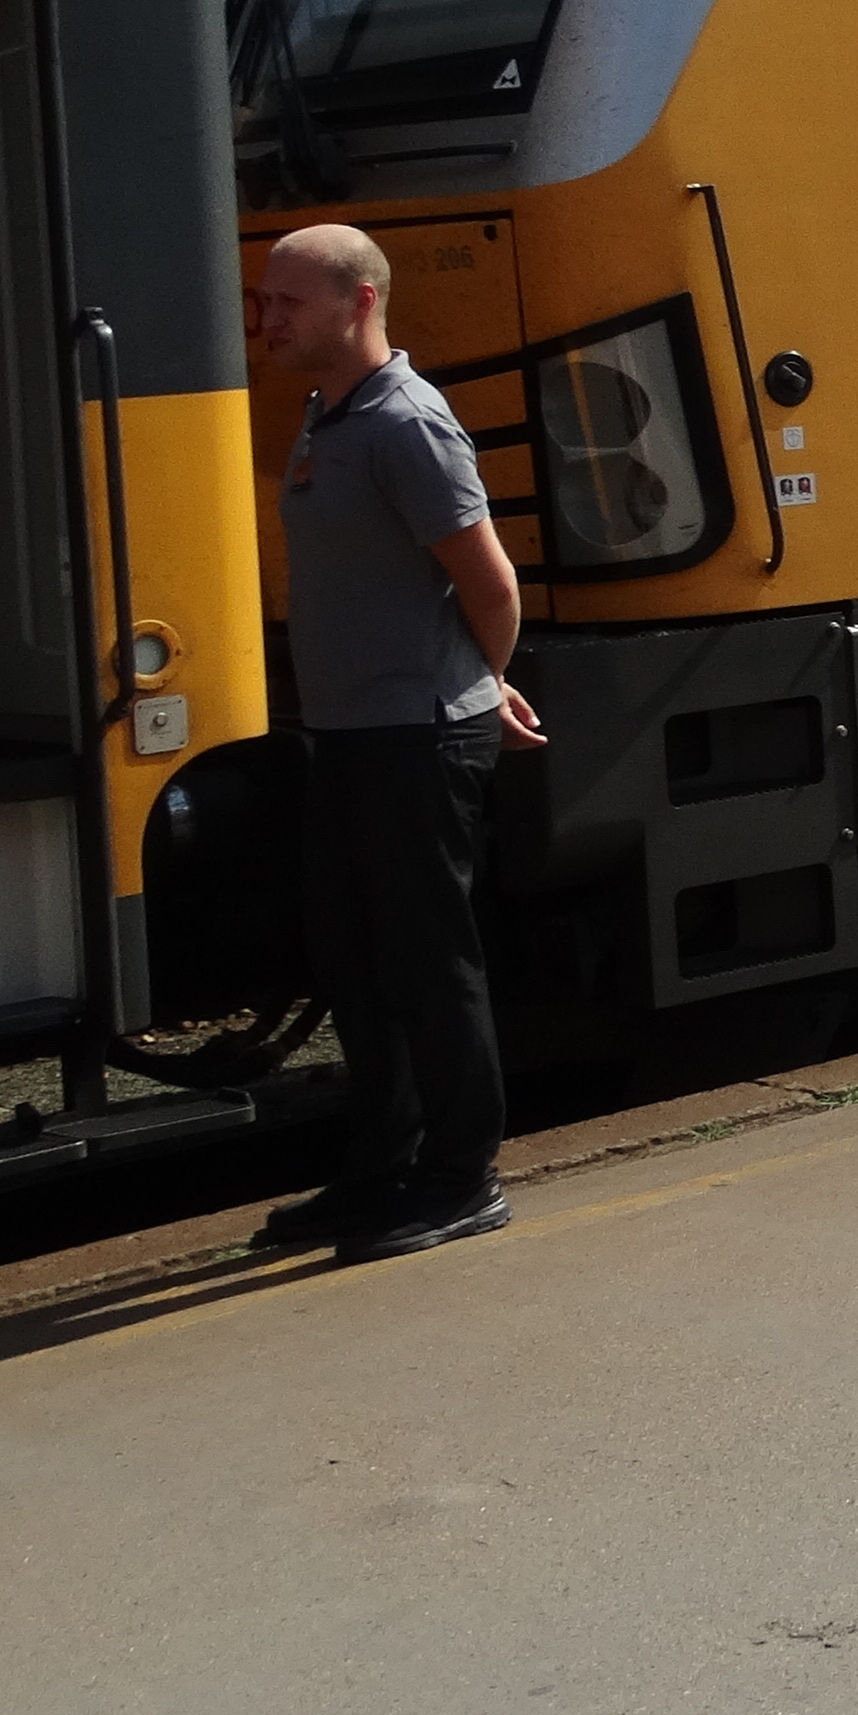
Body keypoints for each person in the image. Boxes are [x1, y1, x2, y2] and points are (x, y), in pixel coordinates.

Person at [244, 223, 543, 1260]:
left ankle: (463, 1177)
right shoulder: (327, 414)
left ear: (359, 302)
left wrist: (482, 682)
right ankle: (380, 1172)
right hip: (348, 733)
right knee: (356, 964)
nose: (267, 319)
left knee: (427, 964)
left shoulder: (409, 424)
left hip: (416, 736)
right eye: (266, 300)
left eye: (288, 301)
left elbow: (490, 584)